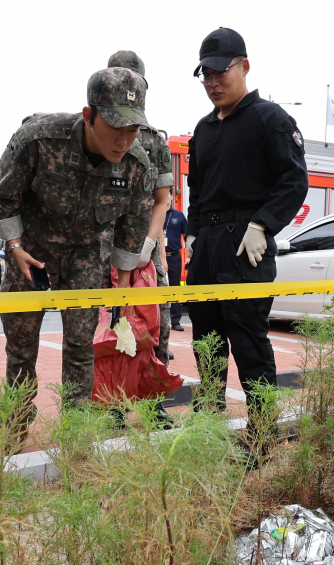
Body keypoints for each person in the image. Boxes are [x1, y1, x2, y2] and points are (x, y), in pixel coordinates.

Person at [0, 67, 155, 452]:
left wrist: (124, 292)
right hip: (30, 251)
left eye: (132, 130)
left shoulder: (136, 164)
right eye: (115, 127)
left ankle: (76, 439)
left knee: (81, 347)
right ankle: (13, 436)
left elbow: (132, 228)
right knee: (21, 347)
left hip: (87, 254)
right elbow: (3, 197)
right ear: (88, 115)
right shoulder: (38, 138)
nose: (123, 140)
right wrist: (14, 248)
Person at [184, 27, 308, 454]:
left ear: (244, 67)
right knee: (207, 342)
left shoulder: (270, 119)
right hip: (208, 248)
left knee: (250, 345)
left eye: (221, 72)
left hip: (245, 245)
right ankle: (208, 432)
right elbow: (196, 193)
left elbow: (294, 181)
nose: (213, 82)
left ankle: (261, 440)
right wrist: (193, 235)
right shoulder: (202, 130)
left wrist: (263, 225)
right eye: (206, 75)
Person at [106, 50, 176, 367]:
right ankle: (115, 405)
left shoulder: (154, 141)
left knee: (158, 316)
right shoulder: (94, 132)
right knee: (112, 323)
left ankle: (155, 398)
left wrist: (149, 243)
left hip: (146, 244)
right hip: (105, 245)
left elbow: (163, 200)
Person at [163, 205, 187, 331]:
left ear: (171, 197)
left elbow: (187, 234)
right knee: (155, 287)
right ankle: (156, 320)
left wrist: (189, 255)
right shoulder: (155, 212)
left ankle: (175, 321)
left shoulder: (178, 215)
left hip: (174, 256)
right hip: (157, 257)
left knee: (175, 287)